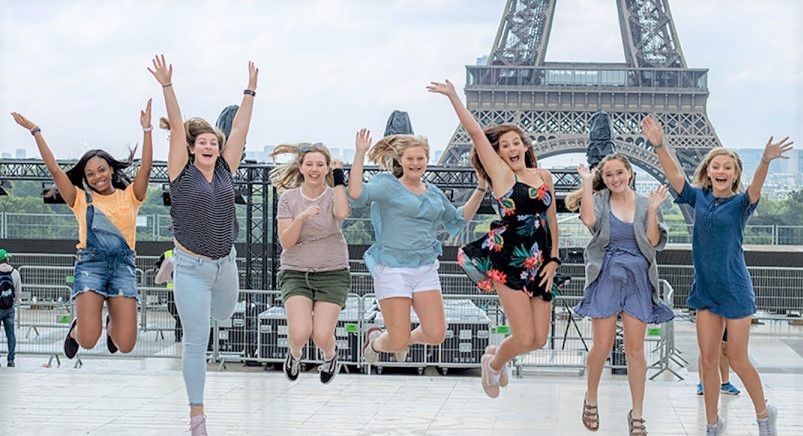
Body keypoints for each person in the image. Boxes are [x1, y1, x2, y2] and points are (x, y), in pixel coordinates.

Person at [642, 114, 792, 436]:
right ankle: (712, 424)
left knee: (737, 358)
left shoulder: (741, 204)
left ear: (735, 173)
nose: (721, 170)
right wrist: (659, 144)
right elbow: (675, 174)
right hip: (707, 290)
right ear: (707, 171)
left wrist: (764, 161)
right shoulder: (698, 198)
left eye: (728, 166)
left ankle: (764, 414)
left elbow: (756, 188)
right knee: (708, 361)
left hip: (736, 289)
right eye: (716, 166)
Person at [428, 80, 560, 398]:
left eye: (517, 142)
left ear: (526, 146)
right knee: (524, 334)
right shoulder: (503, 176)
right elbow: (475, 134)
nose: (512, 148)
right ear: (498, 154)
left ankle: (494, 356)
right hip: (507, 259)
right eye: (505, 145)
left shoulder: (544, 177)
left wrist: (554, 259)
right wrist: (454, 98)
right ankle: (495, 363)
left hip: (541, 260)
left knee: (539, 339)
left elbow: (551, 220)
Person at [149, 54, 258, 436]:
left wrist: (250, 93)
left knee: (225, 314)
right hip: (193, 266)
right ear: (194, 149)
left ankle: (178, 274)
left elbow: (240, 133)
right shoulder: (181, 172)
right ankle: (197, 417)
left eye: (216, 142)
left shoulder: (227, 168)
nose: (211, 146)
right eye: (204, 142)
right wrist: (167, 86)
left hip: (224, 264)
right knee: (198, 340)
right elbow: (178, 130)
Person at [11, 101, 153, 360]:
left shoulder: (131, 196)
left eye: (101, 169)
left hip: (123, 266)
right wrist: (36, 130)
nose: (98, 176)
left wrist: (147, 130)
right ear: (85, 179)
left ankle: (112, 325)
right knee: (88, 340)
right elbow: (54, 169)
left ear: (110, 168)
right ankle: (77, 329)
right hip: (91, 265)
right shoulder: (79, 198)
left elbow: (145, 168)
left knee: (127, 344)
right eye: (90, 174)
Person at [348, 128, 485, 366]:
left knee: (436, 334)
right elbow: (358, 195)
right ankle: (376, 340)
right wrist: (360, 153)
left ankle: (394, 340)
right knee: (397, 340)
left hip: (425, 267)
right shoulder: (387, 184)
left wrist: (481, 188)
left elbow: (458, 219)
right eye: (410, 158)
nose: (415, 163)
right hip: (393, 267)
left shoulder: (434, 193)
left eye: (420, 158)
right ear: (400, 160)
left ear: (427, 160)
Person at [564, 154, 674, 435]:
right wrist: (588, 184)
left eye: (619, 173)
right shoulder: (600, 199)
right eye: (609, 175)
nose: (615, 179)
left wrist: (652, 211)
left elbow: (651, 241)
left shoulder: (647, 202)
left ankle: (637, 413)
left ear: (630, 173)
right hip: (607, 275)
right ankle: (591, 396)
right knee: (602, 345)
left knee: (636, 351)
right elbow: (588, 220)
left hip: (637, 277)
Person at [270, 143, 350, 384]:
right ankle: (294, 355)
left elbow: (343, 213)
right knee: (300, 332)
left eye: (320, 165)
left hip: (332, 272)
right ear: (301, 167)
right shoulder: (288, 199)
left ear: (326, 168)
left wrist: (338, 178)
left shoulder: (333, 193)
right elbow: (287, 241)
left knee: (322, 334)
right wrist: (302, 218)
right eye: (309, 164)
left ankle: (330, 356)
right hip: (296, 272)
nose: (314, 169)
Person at [696, 328, 741, 396]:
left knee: (724, 347)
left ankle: (725, 384)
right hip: (711, 318)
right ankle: (702, 384)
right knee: (706, 347)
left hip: (727, 319)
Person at [153, 249, 182, 342]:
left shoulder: (188, 254)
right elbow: (157, 267)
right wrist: (161, 273)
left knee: (181, 314)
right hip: (171, 289)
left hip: (184, 289)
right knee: (172, 310)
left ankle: (178, 336)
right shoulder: (167, 254)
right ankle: (181, 330)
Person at [0, 249, 22, 367]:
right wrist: (12, 303)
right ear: (6, 259)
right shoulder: (15, 272)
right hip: (9, 308)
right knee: (10, 334)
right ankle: (11, 359)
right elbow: (18, 292)